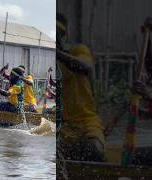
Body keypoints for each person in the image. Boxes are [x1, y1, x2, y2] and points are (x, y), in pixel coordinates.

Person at [57, 13, 105, 162]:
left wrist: (57, 53)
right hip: (64, 128)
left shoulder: (78, 51)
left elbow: (85, 67)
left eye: (57, 33)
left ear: (64, 35)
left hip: (86, 121)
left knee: (94, 150)